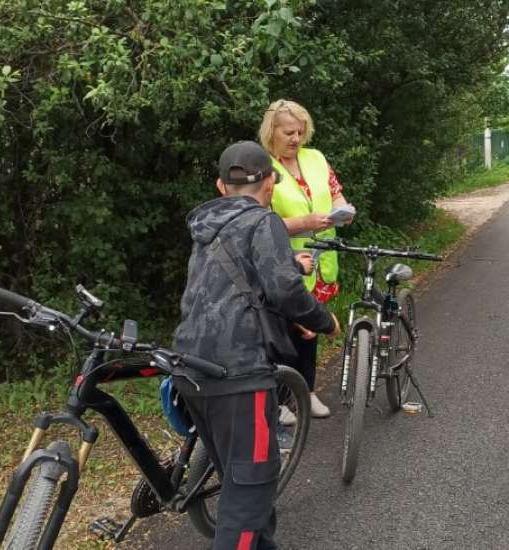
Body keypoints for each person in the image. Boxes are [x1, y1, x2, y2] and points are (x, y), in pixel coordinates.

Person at [172, 141, 341, 549]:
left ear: (220, 186)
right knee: (249, 494)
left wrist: (286, 319)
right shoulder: (264, 222)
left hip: (190, 367)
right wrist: (321, 320)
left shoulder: (205, 228)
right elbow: (284, 288)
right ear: (270, 182)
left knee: (241, 478)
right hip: (238, 372)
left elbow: (229, 293)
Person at [258, 99, 355, 418]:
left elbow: (334, 191)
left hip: (321, 260)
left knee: (310, 331)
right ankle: (282, 398)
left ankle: (308, 393)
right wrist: (304, 224)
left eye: (301, 132)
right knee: (282, 331)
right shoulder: (261, 168)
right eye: (289, 132)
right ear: (271, 132)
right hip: (283, 262)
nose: (296, 139)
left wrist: (344, 209)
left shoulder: (315, 158)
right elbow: (258, 222)